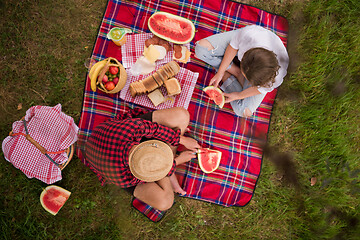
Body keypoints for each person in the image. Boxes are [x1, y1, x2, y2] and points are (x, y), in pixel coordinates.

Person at [84, 107, 200, 211]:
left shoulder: (133, 128)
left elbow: (154, 129)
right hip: (107, 161)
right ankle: (168, 168)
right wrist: (177, 161)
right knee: (165, 202)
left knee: (182, 115)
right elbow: (150, 175)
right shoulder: (123, 177)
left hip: (106, 138)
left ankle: (167, 167)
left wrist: (183, 140)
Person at [195, 25, 289, 117]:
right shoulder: (249, 35)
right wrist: (220, 72)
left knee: (244, 111)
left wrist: (239, 95)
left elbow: (260, 89)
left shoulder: (277, 76)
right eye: (243, 74)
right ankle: (234, 71)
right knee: (201, 50)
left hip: (255, 71)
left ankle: (228, 74)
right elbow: (233, 47)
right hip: (243, 41)